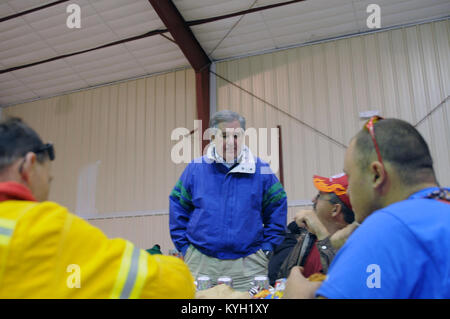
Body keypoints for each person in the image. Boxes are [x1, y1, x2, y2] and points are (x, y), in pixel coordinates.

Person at [0, 117, 195, 298]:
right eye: (48, 180)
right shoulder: (43, 227)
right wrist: (180, 268)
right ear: (28, 165)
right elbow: (162, 284)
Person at [283, 117, 450, 299]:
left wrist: (296, 295)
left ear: (377, 174)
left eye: (350, 176)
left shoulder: (384, 229)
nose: (348, 189)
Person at [169, 110, 287, 291]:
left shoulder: (261, 169)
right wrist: (185, 248)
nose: (231, 142)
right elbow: (178, 205)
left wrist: (267, 248)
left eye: (237, 136)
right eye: (224, 136)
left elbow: (277, 206)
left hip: (248, 266)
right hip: (201, 263)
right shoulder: (195, 169)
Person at [268, 173, 355, 285]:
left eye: (319, 196)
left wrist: (321, 233)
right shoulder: (309, 236)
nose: (313, 199)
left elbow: (340, 284)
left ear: (335, 209)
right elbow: (280, 279)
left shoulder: (354, 243)